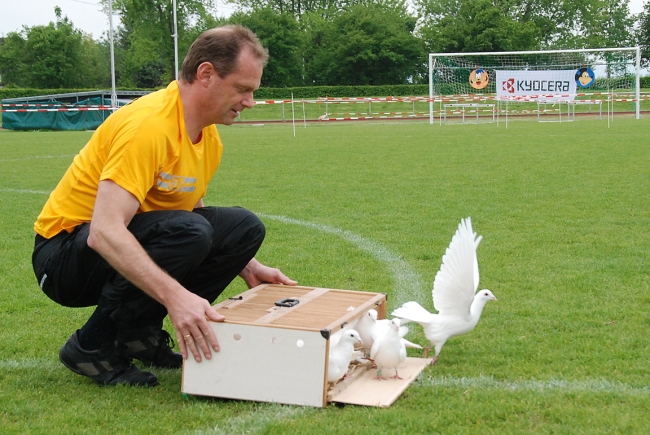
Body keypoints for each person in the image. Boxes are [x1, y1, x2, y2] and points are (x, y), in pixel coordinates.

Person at [31, 25, 297, 387]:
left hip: (108, 245)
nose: (249, 102)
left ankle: (137, 335)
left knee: (243, 229)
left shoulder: (209, 137)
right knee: (190, 231)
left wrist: (246, 265)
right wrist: (177, 297)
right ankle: (91, 346)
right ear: (206, 74)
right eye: (242, 89)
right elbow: (105, 232)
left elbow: (188, 209)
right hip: (62, 256)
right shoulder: (148, 126)